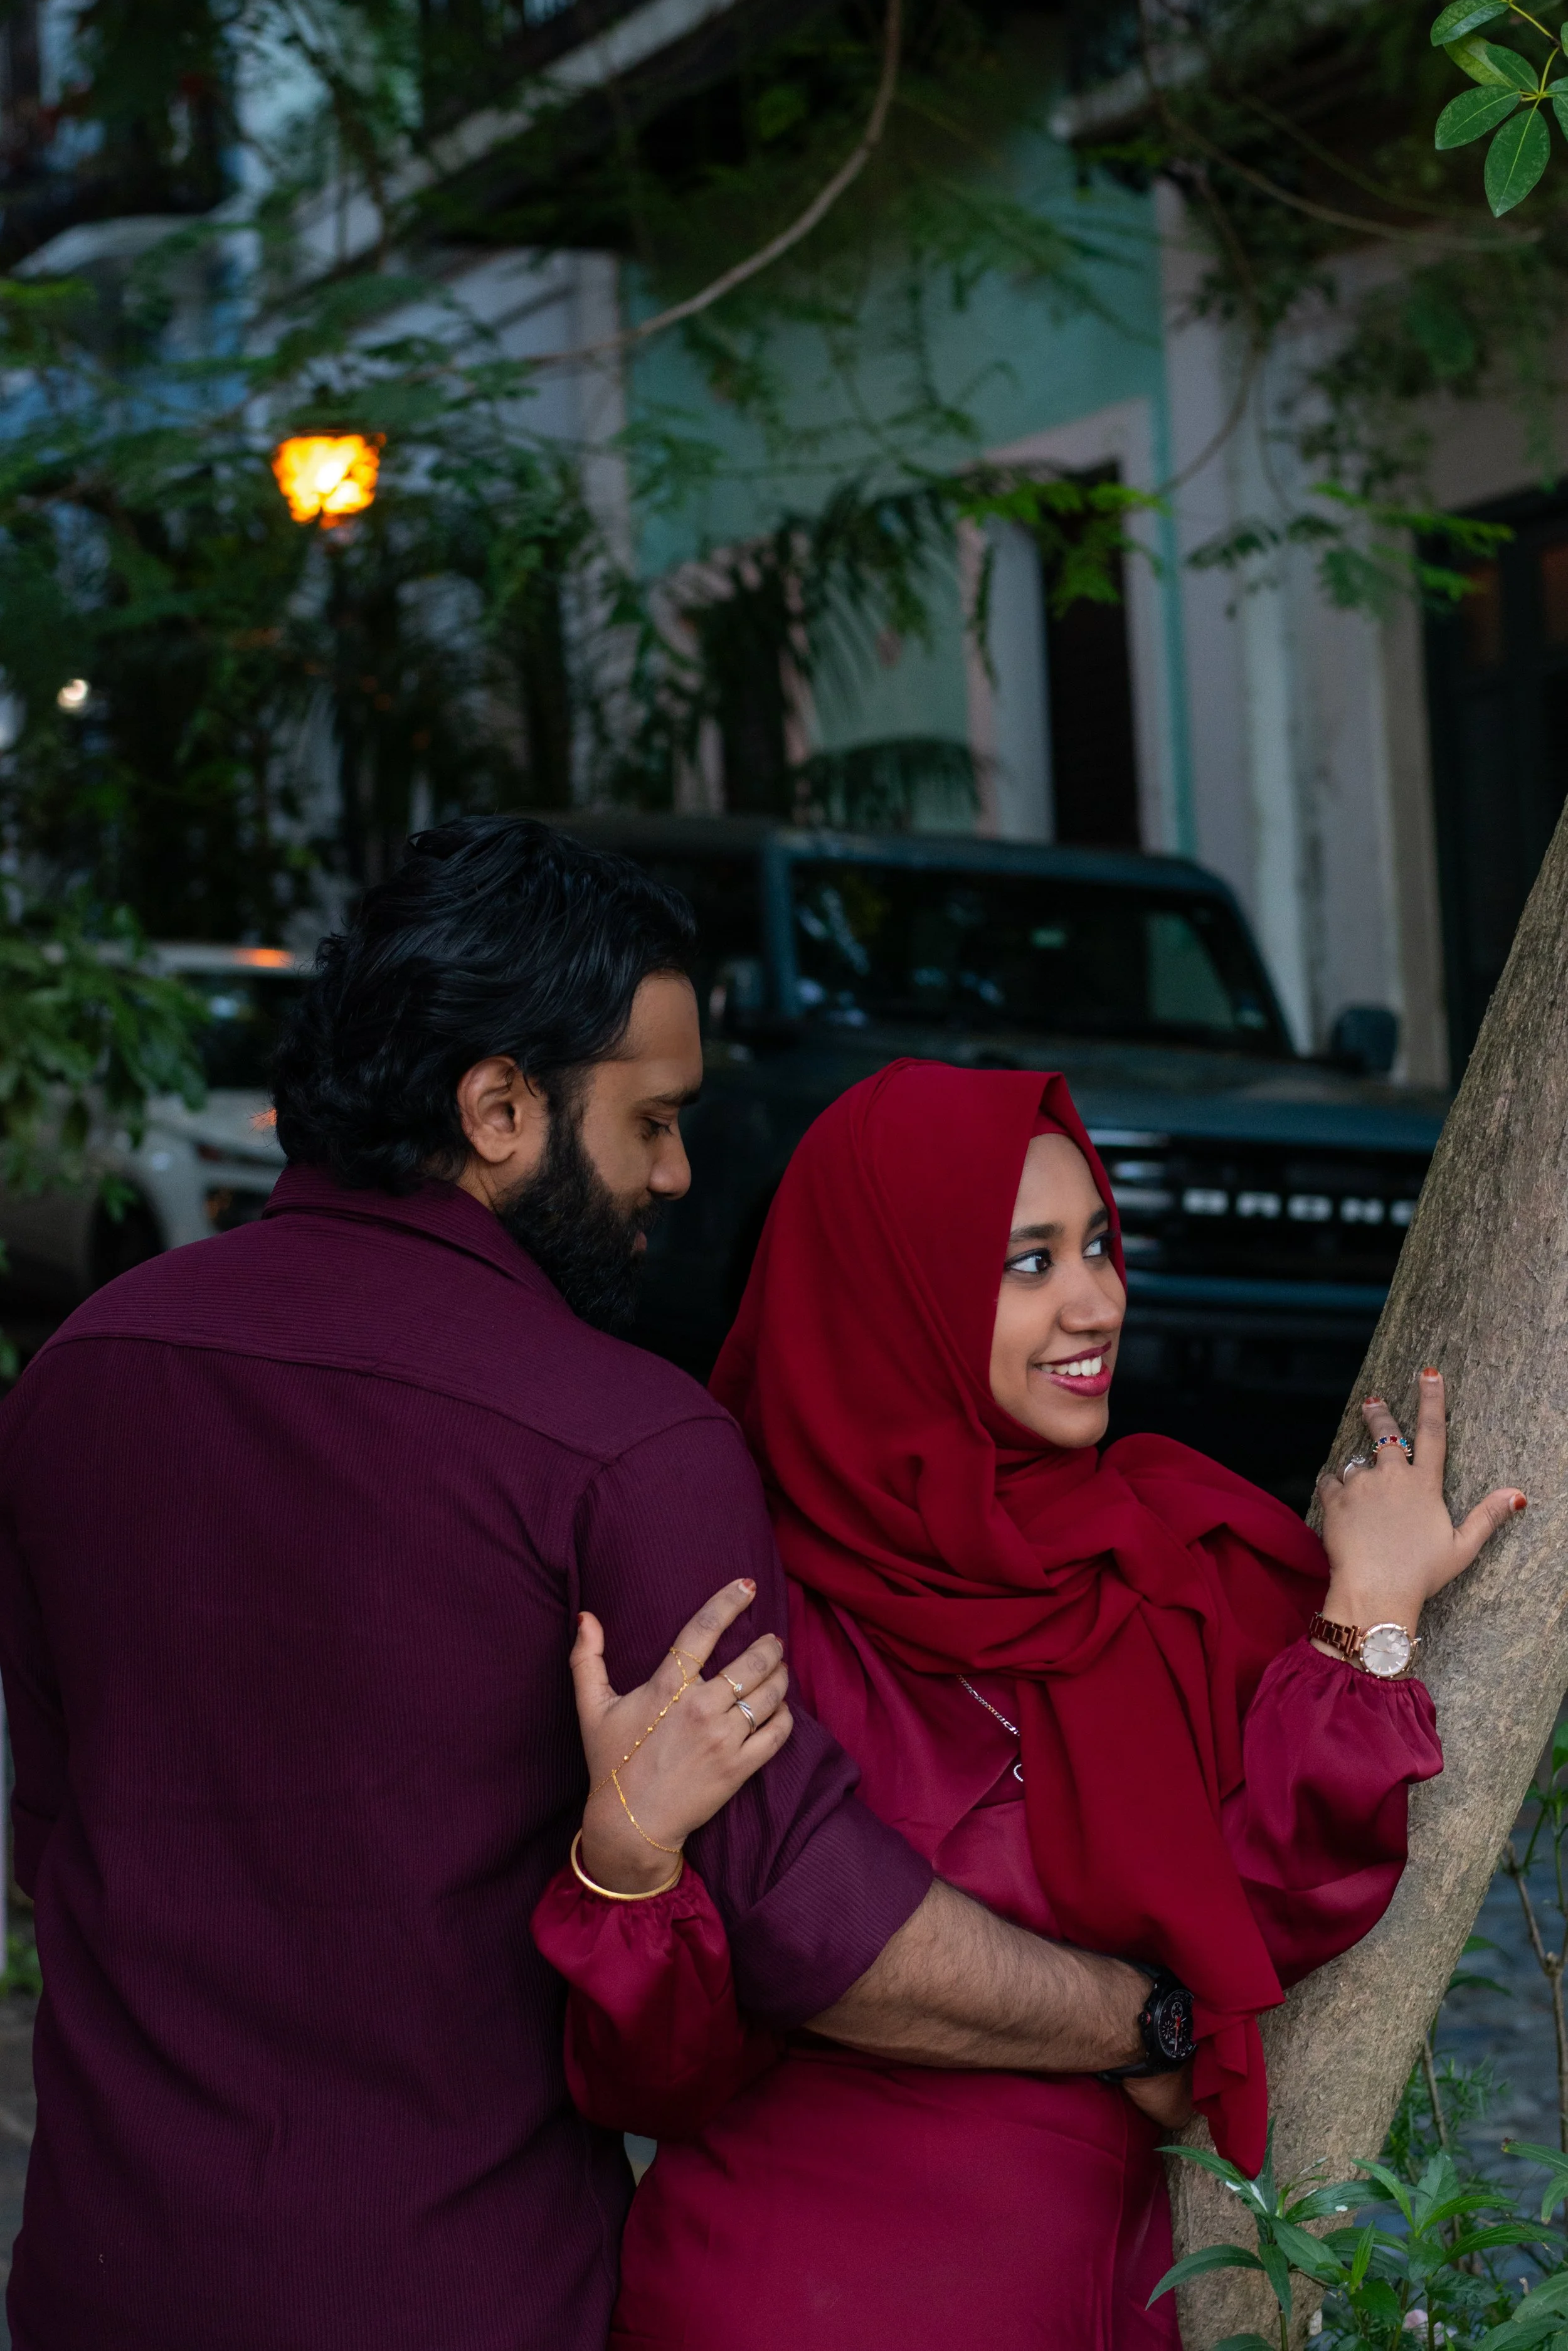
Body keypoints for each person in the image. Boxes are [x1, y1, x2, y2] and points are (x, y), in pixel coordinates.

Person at [0, 822, 1192, 2351]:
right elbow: (800, 1917)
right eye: (651, 1122)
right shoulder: (625, 1444)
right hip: (454, 2293)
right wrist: (1140, 2017)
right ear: (500, 1108)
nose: (679, 1172)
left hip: (109, 2273)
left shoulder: (82, 1375)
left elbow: (55, 1852)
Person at [534, 1059, 1524, 2351]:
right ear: (892, 1291)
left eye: (1098, 1246)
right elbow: (655, 2082)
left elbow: (1274, 1912)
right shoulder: (757, 1606)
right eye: (1026, 1265)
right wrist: (624, 1863)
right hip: (782, 2302)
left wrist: (1365, 1619)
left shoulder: (1173, 1548)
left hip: (1083, 2298)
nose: (1095, 1303)